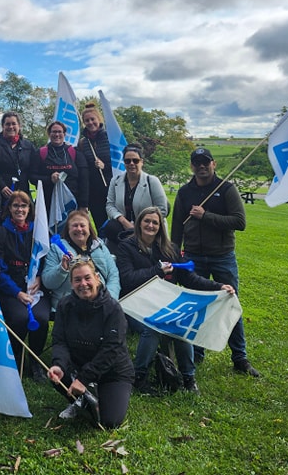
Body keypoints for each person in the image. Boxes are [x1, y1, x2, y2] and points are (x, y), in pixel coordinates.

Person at [118, 206, 236, 395]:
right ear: (139, 223)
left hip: (163, 304)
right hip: (135, 304)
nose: (150, 225)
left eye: (155, 222)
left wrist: (218, 286)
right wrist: (157, 270)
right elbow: (127, 279)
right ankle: (139, 377)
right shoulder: (126, 247)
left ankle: (188, 378)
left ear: (160, 226)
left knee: (181, 324)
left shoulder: (169, 248)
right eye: (146, 221)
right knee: (152, 327)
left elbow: (189, 278)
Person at [170, 147, 260, 377]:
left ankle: (240, 357)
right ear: (191, 166)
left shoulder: (226, 190)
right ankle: (197, 353)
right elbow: (177, 226)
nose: (201, 166)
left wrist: (205, 216)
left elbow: (240, 222)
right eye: (197, 162)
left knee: (231, 305)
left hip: (222, 257)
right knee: (197, 306)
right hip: (193, 256)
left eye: (205, 162)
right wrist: (174, 251)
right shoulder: (184, 192)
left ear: (214, 164)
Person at [47, 259, 134, 428]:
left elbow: (111, 350)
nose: (83, 284)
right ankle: (81, 400)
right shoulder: (64, 305)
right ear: (71, 283)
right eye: (77, 280)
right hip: (78, 366)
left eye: (87, 278)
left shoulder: (113, 309)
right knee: (56, 374)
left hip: (112, 371)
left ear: (97, 278)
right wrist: (59, 364)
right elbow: (59, 341)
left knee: (110, 421)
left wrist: (83, 379)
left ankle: (89, 397)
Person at [0, 191, 49, 377]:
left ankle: (35, 360)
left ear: (29, 209)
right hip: (11, 289)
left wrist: (39, 277)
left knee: (41, 318)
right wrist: (16, 292)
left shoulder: (37, 231)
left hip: (35, 286)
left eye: (24, 206)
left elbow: (45, 258)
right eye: (15, 205)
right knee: (19, 317)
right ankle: (15, 355)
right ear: (9, 209)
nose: (20, 209)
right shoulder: (0, 233)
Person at [42, 209, 120, 312]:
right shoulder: (56, 249)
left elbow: (113, 275)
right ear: (68, 230)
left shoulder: (100, 246)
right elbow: (48, 282)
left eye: (82, 225)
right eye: (75, 226)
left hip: (101, 303)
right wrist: (62, 269)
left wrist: (109, 300)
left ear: (89, 228)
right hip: (70, 307)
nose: (79, 229)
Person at [103, 145, 168, 241]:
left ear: (142, 162)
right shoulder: (115, 181)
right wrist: (123, 221)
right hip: (124, 228)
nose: (131, 163)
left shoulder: (152, 181)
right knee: (110, 227)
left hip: (148, 228)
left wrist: (142, 226)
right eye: (127, 161)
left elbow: (162, 209)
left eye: (135, 160)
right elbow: (110, 205)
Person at [33, 120, 89, 222]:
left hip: (72, 203)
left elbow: (84, 179)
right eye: (54, 132)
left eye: (60, 132)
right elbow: (32, 177)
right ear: (49, 134)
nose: (57, 134)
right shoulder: (41, 153)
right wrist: (49, 179)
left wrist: (83, 204)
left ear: (64, 134)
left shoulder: (75, 152)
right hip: (48, 203)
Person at [0, 111, 36, 200]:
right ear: (3, 126)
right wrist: (2, 186)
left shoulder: (28, 145)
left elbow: (34, 168)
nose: (11, 127)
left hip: (23, 193)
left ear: (19, 126)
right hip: (0, 193)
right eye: (7, 124)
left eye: (13, 124)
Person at [78, 102, 113, 232]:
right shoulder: (82, 143)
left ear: (99, 119)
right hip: (94, 193)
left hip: (111, 189)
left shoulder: (110, 138)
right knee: (101, 226)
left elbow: (121, 162)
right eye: (87, 120)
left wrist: (105, 166)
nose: (90, 122)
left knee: (117, 225)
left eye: (93, 119)